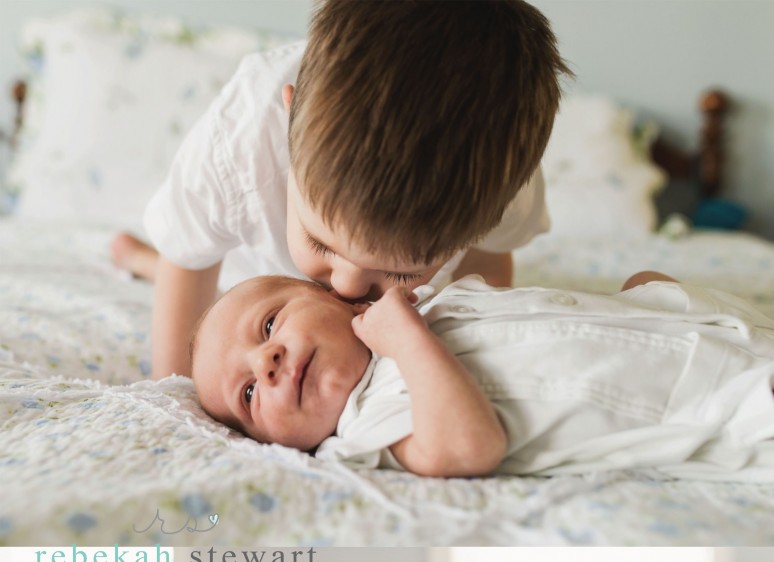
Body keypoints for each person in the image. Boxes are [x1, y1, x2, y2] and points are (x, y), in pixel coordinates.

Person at [115, 0, 570, 379]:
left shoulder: (502, 184)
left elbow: (488, 269)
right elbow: (190, 257)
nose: (349, 286)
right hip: (249, 267)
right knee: (228, 299)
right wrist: (176, 392)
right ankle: (143, 260)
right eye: (320, 241)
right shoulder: (238, 139)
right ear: (290, 122)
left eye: (401, 272)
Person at [189, 269, 774, 481]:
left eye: (268, 326)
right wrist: (406, 339)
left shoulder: (416, 305)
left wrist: (402, 312)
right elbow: (469, 445)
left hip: (656, 329)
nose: (264, 364)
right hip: (693, 402)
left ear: (340, 298)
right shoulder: (363, 431)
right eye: (248, 393)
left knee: (647, 285)